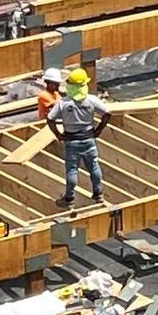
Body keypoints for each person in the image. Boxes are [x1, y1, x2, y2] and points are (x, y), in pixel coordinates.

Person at [46, 66, 109, 209]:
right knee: (93, 166)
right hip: (88, 139)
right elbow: (107, 113)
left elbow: (50, 119)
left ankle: (69, 198)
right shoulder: (91, 100)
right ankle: (98, 194)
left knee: (72, 170)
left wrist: (58, 134)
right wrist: (98, 130)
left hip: (71, 141)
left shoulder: (64, 103)